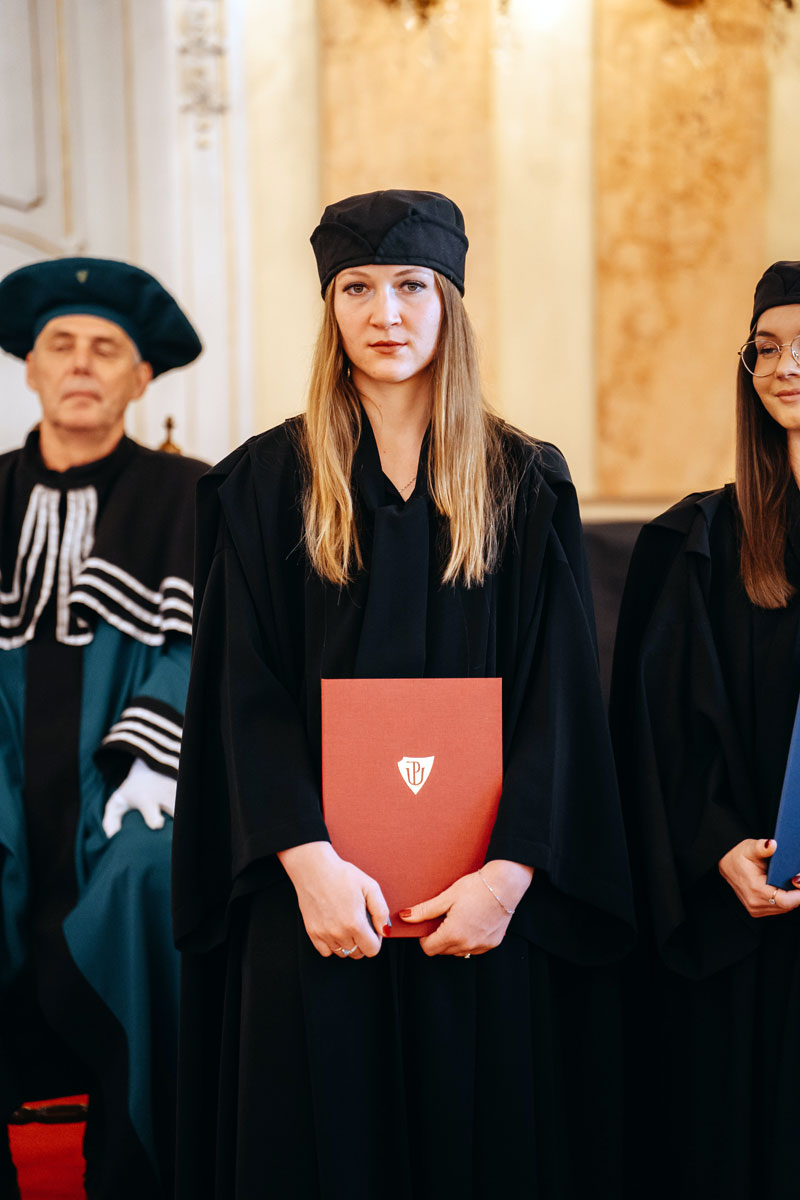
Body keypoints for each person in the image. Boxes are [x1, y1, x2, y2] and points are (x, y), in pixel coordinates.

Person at [173, 189, 634, 1200]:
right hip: (313, 891)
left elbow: (558, 699)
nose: (385, 313)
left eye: (412, 286)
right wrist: (309, 867)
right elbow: (243, 697)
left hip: (476, 892)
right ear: (330, 307)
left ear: (449, 301)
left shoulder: (522, 482)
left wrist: (507, 876)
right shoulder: (262, 486)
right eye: (358, 288)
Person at [0, 257, 206, 1199]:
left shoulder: (192, 495)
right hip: (9, 780)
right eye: (61, 345)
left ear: (142, 378)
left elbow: (208, 647)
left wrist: (155, 766)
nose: (81, 364)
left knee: (151, 879)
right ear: (32, 368)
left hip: (129, 781)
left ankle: (137, 1176)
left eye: (106, 348)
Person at [611, 261, 800, 1199]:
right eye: (767, 348)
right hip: (742, 918)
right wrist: (715, 842)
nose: (785, 367)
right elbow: (656, 736)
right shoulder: (700, 544)